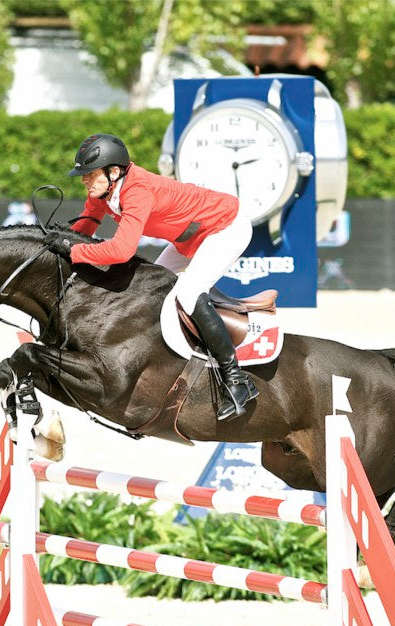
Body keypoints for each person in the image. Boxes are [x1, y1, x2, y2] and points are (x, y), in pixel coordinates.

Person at [46, 133, 258, 421]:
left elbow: (121, 250)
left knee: (189, 292)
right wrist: (61, 242)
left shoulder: (137, 191)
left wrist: (75, 251)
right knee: (150, 289)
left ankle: (236, 380)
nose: (84, 180)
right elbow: (88, 223)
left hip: (225, 227)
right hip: (189, 238)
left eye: (89, 174)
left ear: (114, 172)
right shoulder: (105, 189)